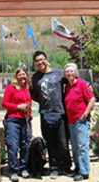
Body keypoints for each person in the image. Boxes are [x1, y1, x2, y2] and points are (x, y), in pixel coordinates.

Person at [30, 51, 72, 179]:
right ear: (35, 63)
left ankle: (65, 166)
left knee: (63, 143)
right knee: (50, 143)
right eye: (37, 61)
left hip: (60, 113)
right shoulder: (35, 77)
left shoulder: (59, 73)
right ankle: (54, 167)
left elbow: (72, 81)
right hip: (45, 114)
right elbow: (35, 95)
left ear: (47, 60)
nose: (40, 62)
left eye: (42, 59)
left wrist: (87, 86)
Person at [63, 63, 96, 181]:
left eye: (71, 71)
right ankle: (78, 168)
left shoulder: (81, 84)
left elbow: (92, 99)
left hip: (81, 120)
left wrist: (86, 113)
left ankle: (84, 171)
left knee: (82, 146)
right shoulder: (67, 86)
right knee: (76, 147)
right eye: (67, 72)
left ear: (76, 72)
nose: (69, 73)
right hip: (71, 121)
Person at [2, 68, 32, 182]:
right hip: (13, 120)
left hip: (26, 120)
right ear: (16, 76)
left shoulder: (28, 88)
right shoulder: (11, 88)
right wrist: (18, 107)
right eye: (19, 75)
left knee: (25, 144)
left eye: (24, 74)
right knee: (13, 145)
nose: (22, 76)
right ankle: (13, 170)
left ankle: (23, 168)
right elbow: (4, 103)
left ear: (27, 76)